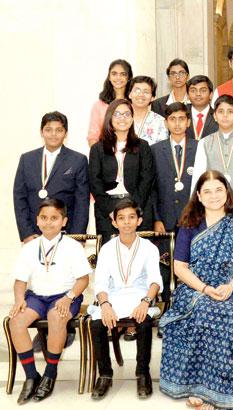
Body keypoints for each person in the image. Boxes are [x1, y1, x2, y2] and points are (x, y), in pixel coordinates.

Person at [160, 170, 233, 409]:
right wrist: (205, 288)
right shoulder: (189, 224)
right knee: (201, 312)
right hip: (195, 286)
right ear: (198, 195)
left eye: (219, 190)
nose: (213, 196)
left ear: (227, 192)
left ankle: (227, 387)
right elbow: (180, 267)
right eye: (207, 191)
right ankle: (197, 385)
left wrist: (231, 286)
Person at [8, 199, 90, 404]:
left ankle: (50, 374)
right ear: (37, 220)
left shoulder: (73, 246)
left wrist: (69, 297)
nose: (48, 222)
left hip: (64, 295)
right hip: (36, 296)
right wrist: (19, 299)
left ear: (64, 221)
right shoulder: (30, 247)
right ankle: (31, 375)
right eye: (44, 218)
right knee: (15, 321)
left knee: (56, 316)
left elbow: (83, 280)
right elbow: (20, 281)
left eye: (54, 218)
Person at [88, 199, 162, 400]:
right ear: (114, 222)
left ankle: (142, 373)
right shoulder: (107, 249)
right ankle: (105, 374)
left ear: (139, 220)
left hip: (141, 297)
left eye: (131, 217)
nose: (127, 222)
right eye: (121, 218)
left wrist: (146, 301)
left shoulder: (149, 248)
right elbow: (101, 283)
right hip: (114, 297)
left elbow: (155, 281)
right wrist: (104, 305)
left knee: (144, 323)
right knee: (96, 324)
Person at [14, 111, 89, 243]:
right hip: (34, 231)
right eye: (48, 130)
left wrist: (77, 236)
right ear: (41, 132)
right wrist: (26, 233)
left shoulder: (78, 160)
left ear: (66, 133)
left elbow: (82, 202)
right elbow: (19, 198)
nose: (53, 134)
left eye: (59, 130)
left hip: (67, 232)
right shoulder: (27, 159)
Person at [88, 99, 155, 244]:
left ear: (132, 118)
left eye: (126, 114)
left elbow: (146, 180)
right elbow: (95, 182)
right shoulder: (97, 149)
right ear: (109, 118)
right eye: (117, 114)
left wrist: (133, 211)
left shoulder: (143, 146)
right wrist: (111, 211)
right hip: (107, 211)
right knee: (111, 259)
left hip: (137, 208)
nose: (122, 118)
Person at [151, 102, 197, 303]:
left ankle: (189, 308)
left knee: (191, 264)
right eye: (172, 119)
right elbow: (150, 188)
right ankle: (167, 308)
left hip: (192, 218)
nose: (177, 124)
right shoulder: (154, 150)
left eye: (181, 119)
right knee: (165, 267)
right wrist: (156, 218)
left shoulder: (199, 147)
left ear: (188, 122)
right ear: (166, 122)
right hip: (165, 220)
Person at [87, 59, 133, 146]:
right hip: (106, 154)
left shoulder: (134, 104)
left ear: (129, 77)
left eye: (123, 74)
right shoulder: (99, 106)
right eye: (114, 74)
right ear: (109, 77)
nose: (118, 77)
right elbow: (92, 137)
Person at [129, 76, 169, 145]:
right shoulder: (120, 118)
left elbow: (161, 151)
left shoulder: (160, 122)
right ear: (129, 94)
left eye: (146, 92)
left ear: (152, 98)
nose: (141, 95)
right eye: (137, 90)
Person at [186, 75, 218, 140]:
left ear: (211, 95)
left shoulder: (219, 116)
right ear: (188, 95)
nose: (198, 94)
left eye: (203, 90)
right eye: (193, 91)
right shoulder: (181, 114)